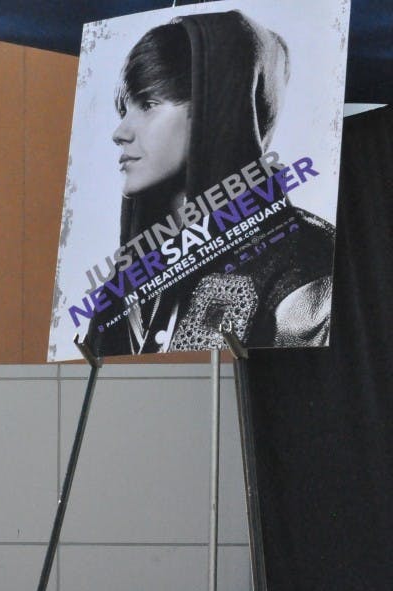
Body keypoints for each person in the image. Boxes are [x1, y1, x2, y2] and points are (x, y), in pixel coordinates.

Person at [87, 10, 334, 357]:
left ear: (217, 106)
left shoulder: (307, 258)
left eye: (148, 104)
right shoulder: (131, 272)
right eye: (123, 110)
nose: (120, 132)